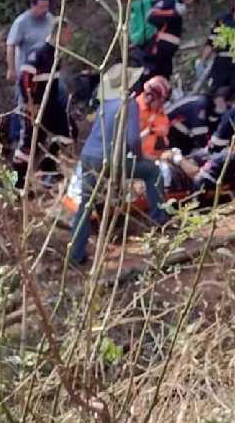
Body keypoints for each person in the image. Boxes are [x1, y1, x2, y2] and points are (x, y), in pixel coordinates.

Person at [69, 64, 169, 266]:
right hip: (109, 159)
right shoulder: (129, 104)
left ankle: (76, 255)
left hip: (88, 156)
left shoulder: (105, 103)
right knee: (153, 172)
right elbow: (132, 140)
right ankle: (161, 222)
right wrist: (140, 159)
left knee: (85, 206)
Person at [13, 19, 74, 189]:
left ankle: (49, 170)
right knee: (27, 145)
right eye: (68, 33)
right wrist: (29, 104)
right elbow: (24, 78)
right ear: (60, 32)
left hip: (50, 104)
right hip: (34, 106)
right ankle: (17, 185)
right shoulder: (39, 53)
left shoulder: (56, 54)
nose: (70, 37)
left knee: (67, 131)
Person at [6, 0, 56, 149]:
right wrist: (11, 69)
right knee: (23, 104)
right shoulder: (22, 22)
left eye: (47, 7)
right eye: (41, 7)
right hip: (26, 73)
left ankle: (43, 137)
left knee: (49, 102)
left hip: (47, 73)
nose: (45, 10)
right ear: (32, 6)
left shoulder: (51, 20)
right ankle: (18, 139)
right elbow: (11, 45)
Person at [131, 0, 202, 89]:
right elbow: (152, 16)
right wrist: (174, 12)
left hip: (164, 57)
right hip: (154, 53)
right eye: (192, 3)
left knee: (162, 84)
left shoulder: (177, 4)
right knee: (147, 84)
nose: (190, 6)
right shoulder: (169, 0)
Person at [137, 76, 171, 158]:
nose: (162, 104)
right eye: (160, 100)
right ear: (150, 97)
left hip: (155, 157)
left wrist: (163, 140)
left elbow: (164, 140)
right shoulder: (133, 108)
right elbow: (131, 140)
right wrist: (150, 131)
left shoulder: (161, 115)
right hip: (135, 158)